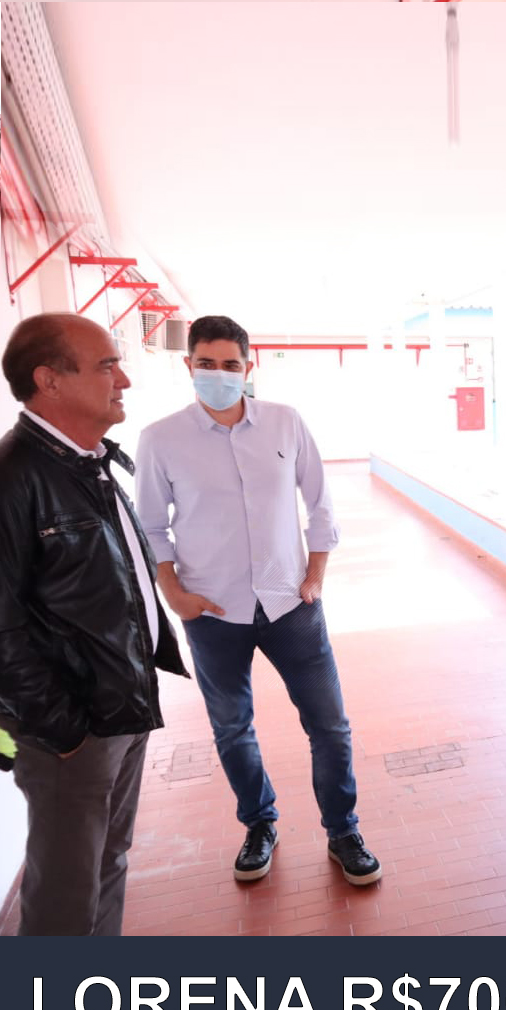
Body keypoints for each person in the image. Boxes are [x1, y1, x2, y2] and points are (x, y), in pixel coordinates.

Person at [135, 315, 380, 886]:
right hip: (213, 612)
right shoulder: (160, 439)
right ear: (188, 365)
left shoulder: (285, 423)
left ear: (249, 367)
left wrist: (315, 576)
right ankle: (259, 824)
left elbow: (320, 503)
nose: (219, 374)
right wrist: (175, 595)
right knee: (232, 728)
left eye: (230, 364)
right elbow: (150, 526)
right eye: (207, 363)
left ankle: (343, 830)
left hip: (292, 605)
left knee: (330, 726)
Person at [0, 313, 186, 935]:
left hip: (119, 708)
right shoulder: (15, 477)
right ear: (49, 380)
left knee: (108, 864)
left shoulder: (90, 464)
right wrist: (61, 728)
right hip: (72, 733)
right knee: (63, 899)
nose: (124, 380)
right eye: (107, 366)